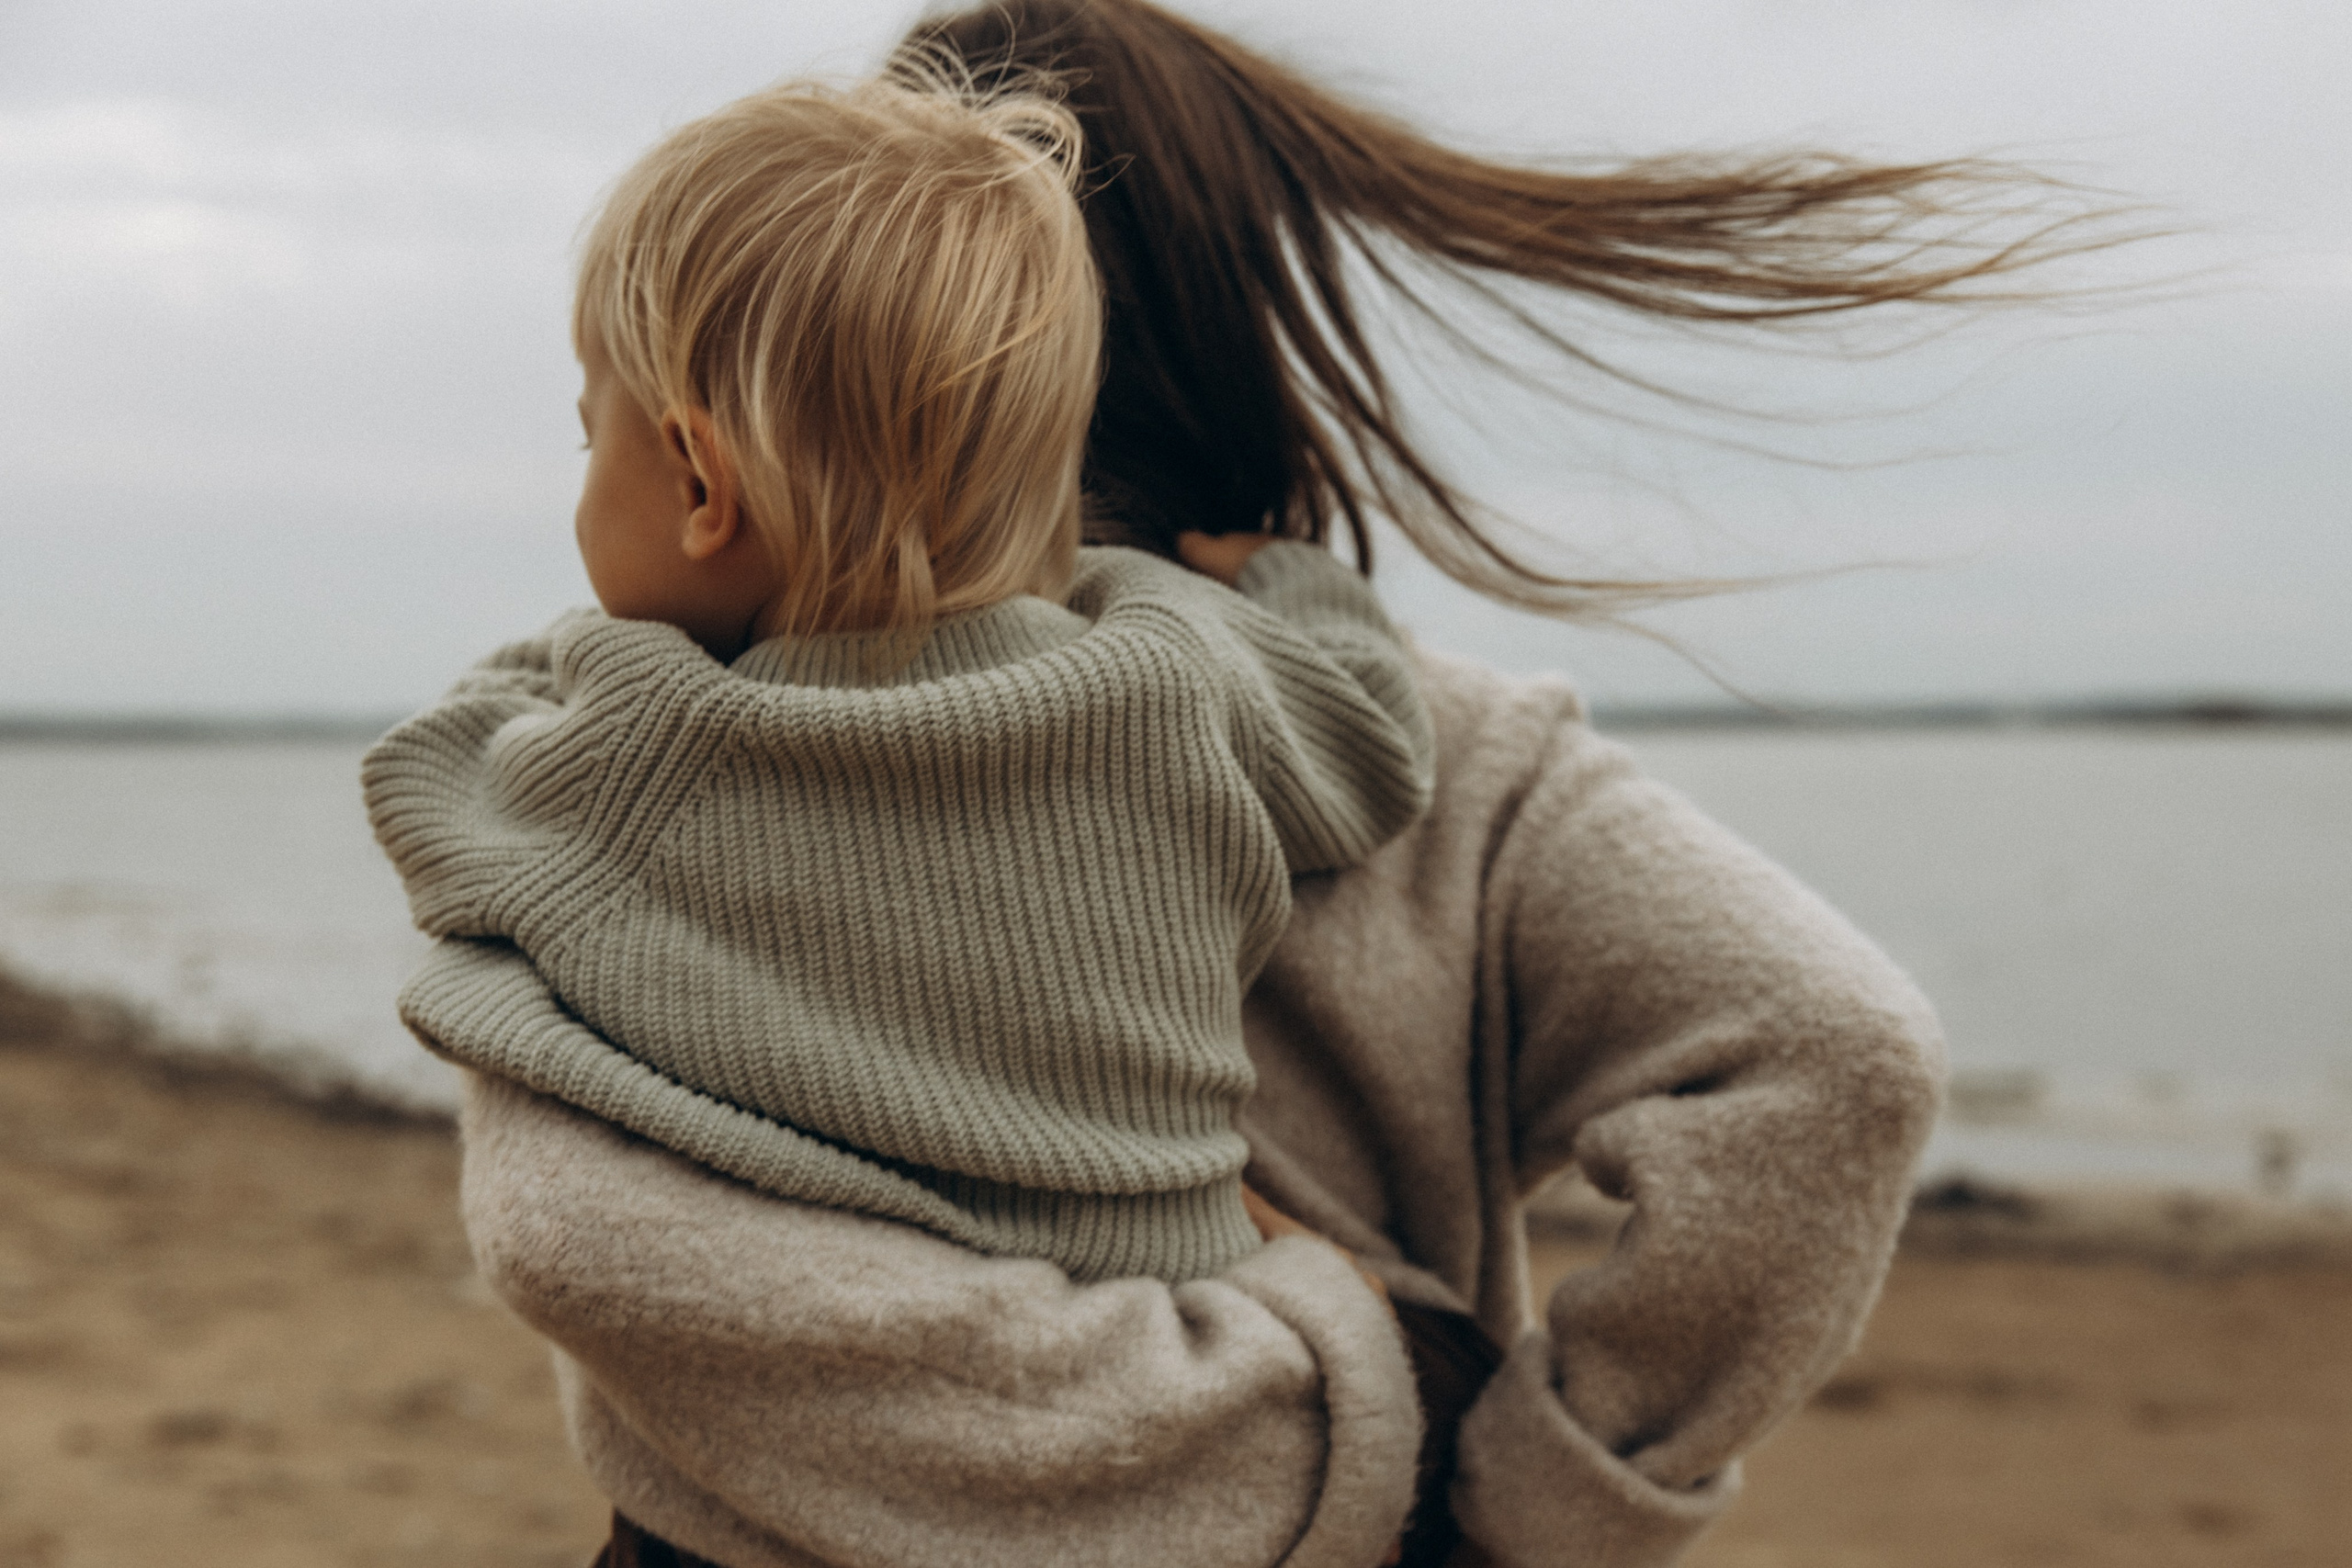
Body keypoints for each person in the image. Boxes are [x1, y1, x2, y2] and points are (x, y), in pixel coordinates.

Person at [437, 2, 2124, 1562]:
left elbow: (578, 1234)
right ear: (1238, 308)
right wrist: (1512, 1506)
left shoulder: (667, 754)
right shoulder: (1421, 740)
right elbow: (1840, 1055)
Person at [364, 71, 1437, 1292]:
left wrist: (577, 661)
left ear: (701, 485)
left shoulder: (657, 752)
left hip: (871, 1319)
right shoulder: (1176, 661)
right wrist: (1296, 580)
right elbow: (1376, 737)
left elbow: (427, 781)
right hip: (1181, 1283)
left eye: (587, 433)